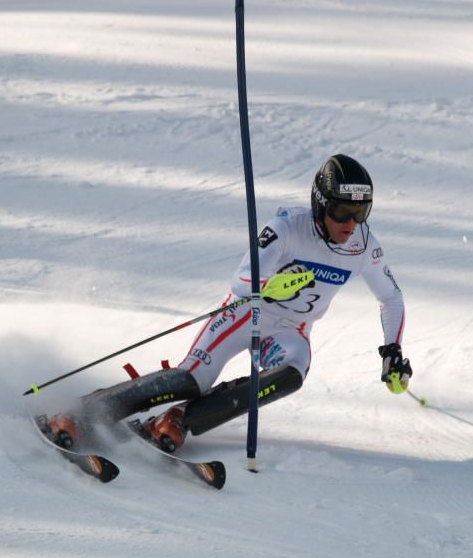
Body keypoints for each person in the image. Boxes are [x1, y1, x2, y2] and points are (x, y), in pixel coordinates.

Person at [46, 154, 411, 452]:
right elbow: (240, 282)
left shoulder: (364, 246)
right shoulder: (288, 228)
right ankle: (81, 413)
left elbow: (390, 297)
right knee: (190, 380)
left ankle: (177, 420)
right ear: (320, 205)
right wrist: (271, 285)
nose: (350, 223)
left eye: (360, 213)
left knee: (290, 376)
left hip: (289, 330)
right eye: (341, 212)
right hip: (245, 314)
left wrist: (391, 350)